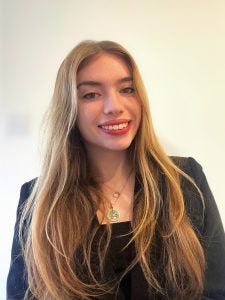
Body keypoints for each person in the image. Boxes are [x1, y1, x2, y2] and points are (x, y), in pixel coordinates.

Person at [7, 40, 225, 300]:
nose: (114, 106)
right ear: (69, 110)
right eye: (91, 94)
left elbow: (217, 290)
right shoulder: (39, 201)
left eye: (127, 89)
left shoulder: (185, 180)